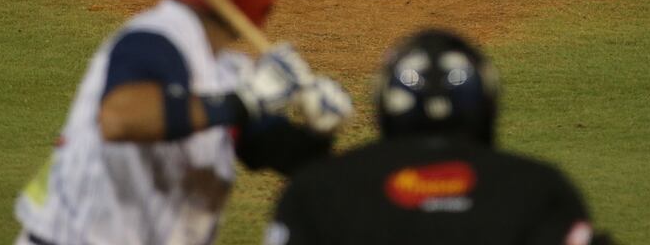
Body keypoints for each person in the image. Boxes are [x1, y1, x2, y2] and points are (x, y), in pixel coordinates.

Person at [14, 0, 353, 245]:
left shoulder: (227, 72)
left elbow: (282, 155)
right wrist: (242, 102)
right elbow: (119, 117)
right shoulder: (155, 37)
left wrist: (317, 131)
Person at [263, 29, 616, 245]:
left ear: (385, 105)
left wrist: (310, 145)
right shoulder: (539, 190)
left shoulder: (320, 191)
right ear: (486, 105)